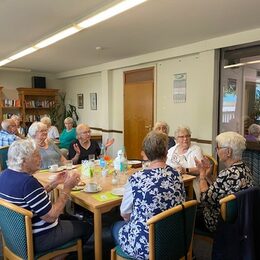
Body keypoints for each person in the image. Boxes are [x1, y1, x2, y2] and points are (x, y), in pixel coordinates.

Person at [0, 139, 92, 254]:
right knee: (87, 227)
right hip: (39, 238)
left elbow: (31, 199)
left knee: (73, 218)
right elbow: (51, 216)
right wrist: (67, 188)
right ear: (23, 161)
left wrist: (54, 183)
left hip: (15, 236)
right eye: (36, 156)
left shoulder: (4, 175)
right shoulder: (28, 183)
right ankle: (59, 255)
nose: (41, 158)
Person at [112, 131, 185, 260]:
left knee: (116, 226)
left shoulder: (136, 179)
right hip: (175, 239)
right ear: (166, 152)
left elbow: (125, 214)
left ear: (144, 154)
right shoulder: (176, 174)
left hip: (147, 248)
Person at [195, 131, 253, 233]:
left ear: (229, 152)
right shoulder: (245, 169)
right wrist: (209, 175)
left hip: (220, 222)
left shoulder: (226, 174)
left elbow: (204, 198)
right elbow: (220, 190)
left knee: (188, 214)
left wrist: (202, 174)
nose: (217, 151)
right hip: (241, 221)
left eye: (218, 148)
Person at [166, 125, 203, 201]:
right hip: (172, 181)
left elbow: (201, 169)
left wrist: (185, 170)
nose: (185, 139)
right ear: (176, 139)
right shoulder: (172, 150)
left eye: (187, 136)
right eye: (182, 137)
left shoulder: (196, 150)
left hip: (190, 184)